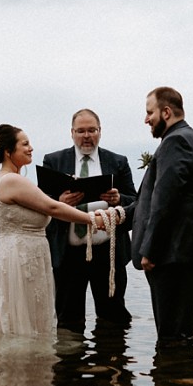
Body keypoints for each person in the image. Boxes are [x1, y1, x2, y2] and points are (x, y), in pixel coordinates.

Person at [0, 124, 109, 337]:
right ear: (8, 152)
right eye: (25, 144)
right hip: (21, 259)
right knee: (25, 325)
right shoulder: (12, 180)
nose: (31, 148)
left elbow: (51, 205)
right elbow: (52, 207)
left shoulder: (11, 179)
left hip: (26, 255)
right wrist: (94, 220)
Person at [41, 109, 137, 331]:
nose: (87, 136)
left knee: (113, 319)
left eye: (92, 130)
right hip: (68, 253)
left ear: (100, 132)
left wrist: (118, 198)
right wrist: (60, 200)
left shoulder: (118, 161)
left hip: (108, 251)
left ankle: (113, 363)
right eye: (81, 131)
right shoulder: (53, 161)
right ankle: (70, 365)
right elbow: (41, 202)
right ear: (72, 133)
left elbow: (135, 201)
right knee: (68, 322)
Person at [130, 87, 193, 344]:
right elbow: (152, 199)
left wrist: (150, 249)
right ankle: (181, 380)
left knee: (172, 336)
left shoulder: (177, 141)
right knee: (180, 331)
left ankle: (172, 382)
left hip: (173, 253)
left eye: (149, 112)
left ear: (166, 112)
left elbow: (164, 201)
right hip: (179, 251)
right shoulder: (183, 138)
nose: (146, 119)